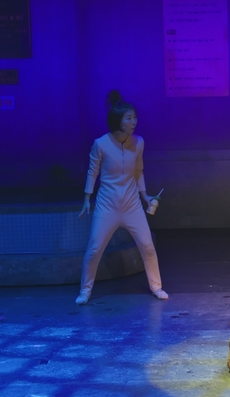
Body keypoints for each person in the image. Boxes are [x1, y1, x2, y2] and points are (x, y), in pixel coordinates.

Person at [75, 90, 168, 305]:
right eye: (129, 118)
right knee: (94, 249)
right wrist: (87, 198)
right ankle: (85, 291)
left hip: (132, 205)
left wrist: (145, 195)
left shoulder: (139, 142)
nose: (134, 122)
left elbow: (138, 171)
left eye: (135, 117)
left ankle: (157, 287)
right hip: (107, 206)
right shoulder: (101, 144)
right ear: (118, 121)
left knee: (147, 246)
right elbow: (92, 171)